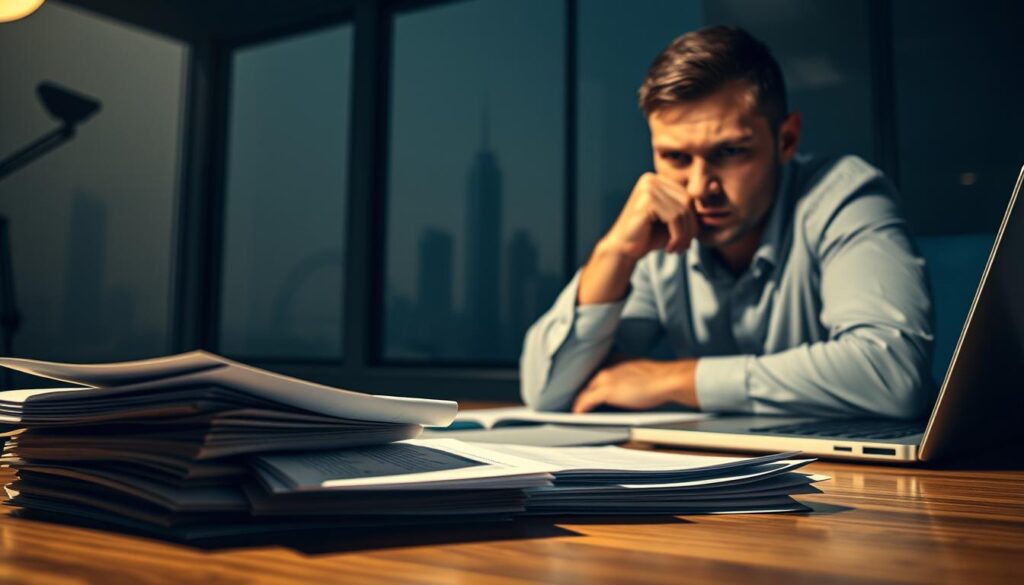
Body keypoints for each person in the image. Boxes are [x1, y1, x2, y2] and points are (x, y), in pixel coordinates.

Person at [520, 26, 933, 419]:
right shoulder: (659, 236)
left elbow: (893, 371)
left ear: (786, 139)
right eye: (676, 158)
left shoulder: (844, 196)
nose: (700, 188)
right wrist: (615, 252)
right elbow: (546, 391)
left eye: (731, 151)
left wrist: (675, 379)